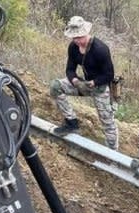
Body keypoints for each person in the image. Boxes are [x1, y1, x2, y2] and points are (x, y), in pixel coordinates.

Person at [49, 16, 118, 150]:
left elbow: (109, 74)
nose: (77, 41)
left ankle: (113, 152)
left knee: (107, 122)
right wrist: (75, 81)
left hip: (100, 87)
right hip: (83, 84)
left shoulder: (100, 49)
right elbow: (70, 69)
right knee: (56, 86)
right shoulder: (73, 47)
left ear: (86, 33)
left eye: (80, 37)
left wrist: (94, 82)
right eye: (74, 38)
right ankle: (71, 123)